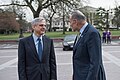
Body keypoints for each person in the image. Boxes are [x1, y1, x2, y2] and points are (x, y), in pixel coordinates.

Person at [69, 11, 106, 80]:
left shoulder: (92, 33)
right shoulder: (80, 34)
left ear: (75, 21)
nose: (70, 24)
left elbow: (95, 62)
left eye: (70, 22)